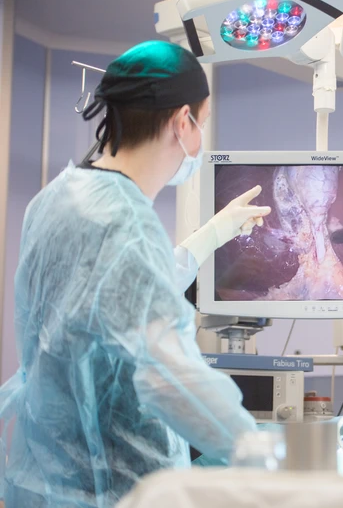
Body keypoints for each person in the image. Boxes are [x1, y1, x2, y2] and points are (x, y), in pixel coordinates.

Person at [0, 41, 270, 507]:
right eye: (202, 123)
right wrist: (265, 455)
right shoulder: (125, 224)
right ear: (182, 122)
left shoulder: (56, 200)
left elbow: (113, 300)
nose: (200, 140)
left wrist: (213, 233)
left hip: (43, 476)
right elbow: (172, 378)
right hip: (113, 487)